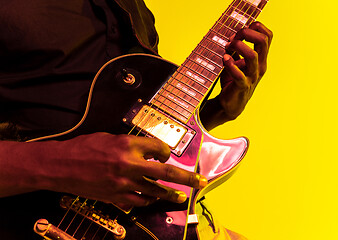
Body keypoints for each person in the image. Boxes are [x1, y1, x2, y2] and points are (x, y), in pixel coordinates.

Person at [0, 0, 272, 239]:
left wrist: (217, 111)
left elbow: (131, 122)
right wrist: (62, 164)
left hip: (153, 222)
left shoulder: (130, 6)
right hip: (34, 219)